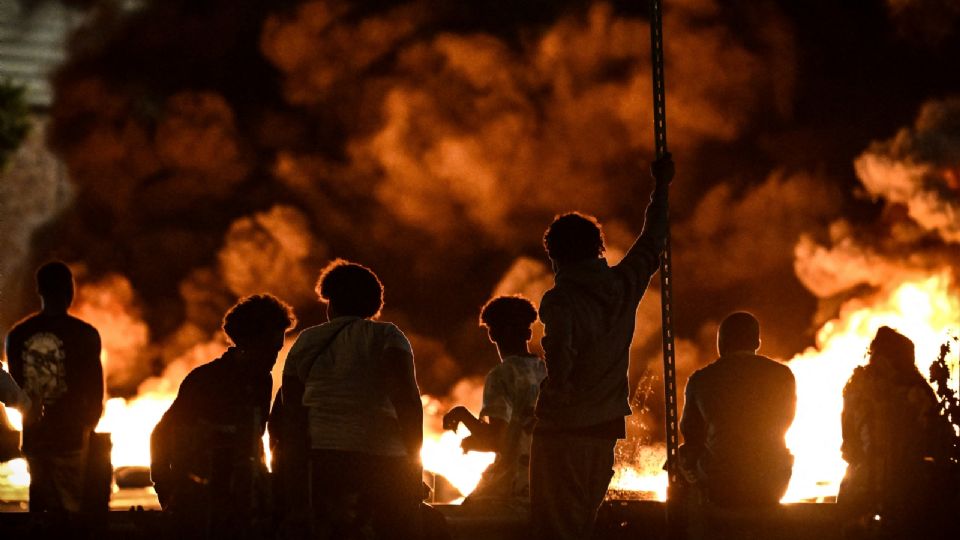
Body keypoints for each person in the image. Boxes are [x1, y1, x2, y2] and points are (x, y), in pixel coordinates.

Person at [530, 155, 672, 540]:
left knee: (552, 525)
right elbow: (652, 241)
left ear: (556, 256)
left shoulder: (559, 300)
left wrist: (555, 395)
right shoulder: (623, 287)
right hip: (604, 428)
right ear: (597, 248)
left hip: (563, 429)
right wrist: (661, 188)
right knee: (582, 522)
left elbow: (560, 355)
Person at [280, 259, 422, 539]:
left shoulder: (306, 340)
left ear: (331, 301)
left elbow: (290, 407)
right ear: (373, 303)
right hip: (382, 458)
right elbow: (407, 399)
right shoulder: (387, 336)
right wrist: (414, 462)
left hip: (321, 459)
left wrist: (292, 467)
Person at [150, 294, 296, 539]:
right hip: (205, 503)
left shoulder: (262, 379)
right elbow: (162, 434)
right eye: (270, 348)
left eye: (277, 349)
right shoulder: (204, 381)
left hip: (245, 501)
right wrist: (166, 488)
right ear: (248, 341)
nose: (274, 357)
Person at [838, 326, 956, 538]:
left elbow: (849, 446)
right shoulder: (918, 390)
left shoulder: (855, 388)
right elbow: (939, 441)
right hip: (911, 487)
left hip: (861, 486)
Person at [5, 261, 103, 514]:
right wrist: (88, 424)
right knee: (70, 508)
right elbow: (94, 389)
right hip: (70, 436)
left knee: (40, 502)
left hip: (34, 436)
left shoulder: (17, 335)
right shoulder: (85, 334)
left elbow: (15, 387)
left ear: (40, 291)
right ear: (70, 291)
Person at [678, 312, 796, 508]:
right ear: (757, 343)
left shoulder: (701, 379)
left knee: (679, 458)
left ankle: (687, 530)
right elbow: (786, 420)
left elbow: (690, 432)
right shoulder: (783, 375)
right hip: (772, 482)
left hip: (720, 483)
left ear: (721, 343)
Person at [443, 295, 546, 511]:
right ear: (528, 332)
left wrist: (463, 416)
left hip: (510, 485)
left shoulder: (500, 375)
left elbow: (497, 441)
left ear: (492, 334)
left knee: (459, 520)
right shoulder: (546, 371)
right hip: (545, 483)